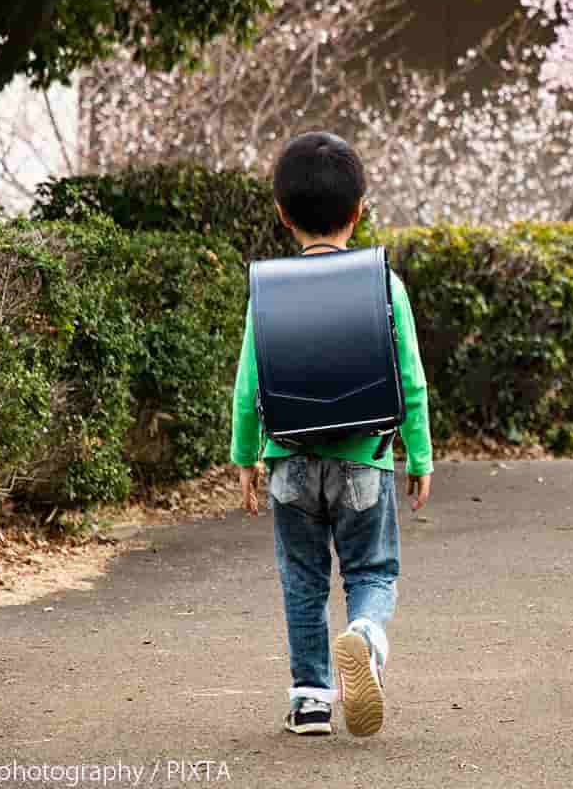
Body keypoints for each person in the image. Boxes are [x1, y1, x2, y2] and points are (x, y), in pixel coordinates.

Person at [230, 131, 433, 738]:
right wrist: (419, 454)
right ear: (360, 209)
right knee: (371, 571)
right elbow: (411, 380)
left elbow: (248, 384)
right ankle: (365, 636)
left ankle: (311, 701)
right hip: (364, 459)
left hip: (289, 460)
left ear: (283, 214)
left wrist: (245, 455)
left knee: (303, 580)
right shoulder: (383, 283)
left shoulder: (269, 290)